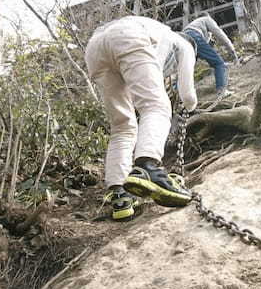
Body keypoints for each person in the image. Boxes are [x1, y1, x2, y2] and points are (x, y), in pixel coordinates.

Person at [85, 15, 198, 221]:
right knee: (156, 106)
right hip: (128, 36)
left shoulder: (154, 30)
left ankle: (119, 194)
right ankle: (148, 166)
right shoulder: (182, 42)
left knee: (122, 125)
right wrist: (190, 105)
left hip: (94, 48)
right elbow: (188, 94)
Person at [183, 11, 239, 98]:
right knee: (219, 63)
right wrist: (232, 49)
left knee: (186, 69)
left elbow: (204, 47)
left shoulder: (194, 24)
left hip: (184, 39)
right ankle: (222, 91)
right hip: (194, 37)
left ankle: (177, 92)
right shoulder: (207, 19)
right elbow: (220, 34)